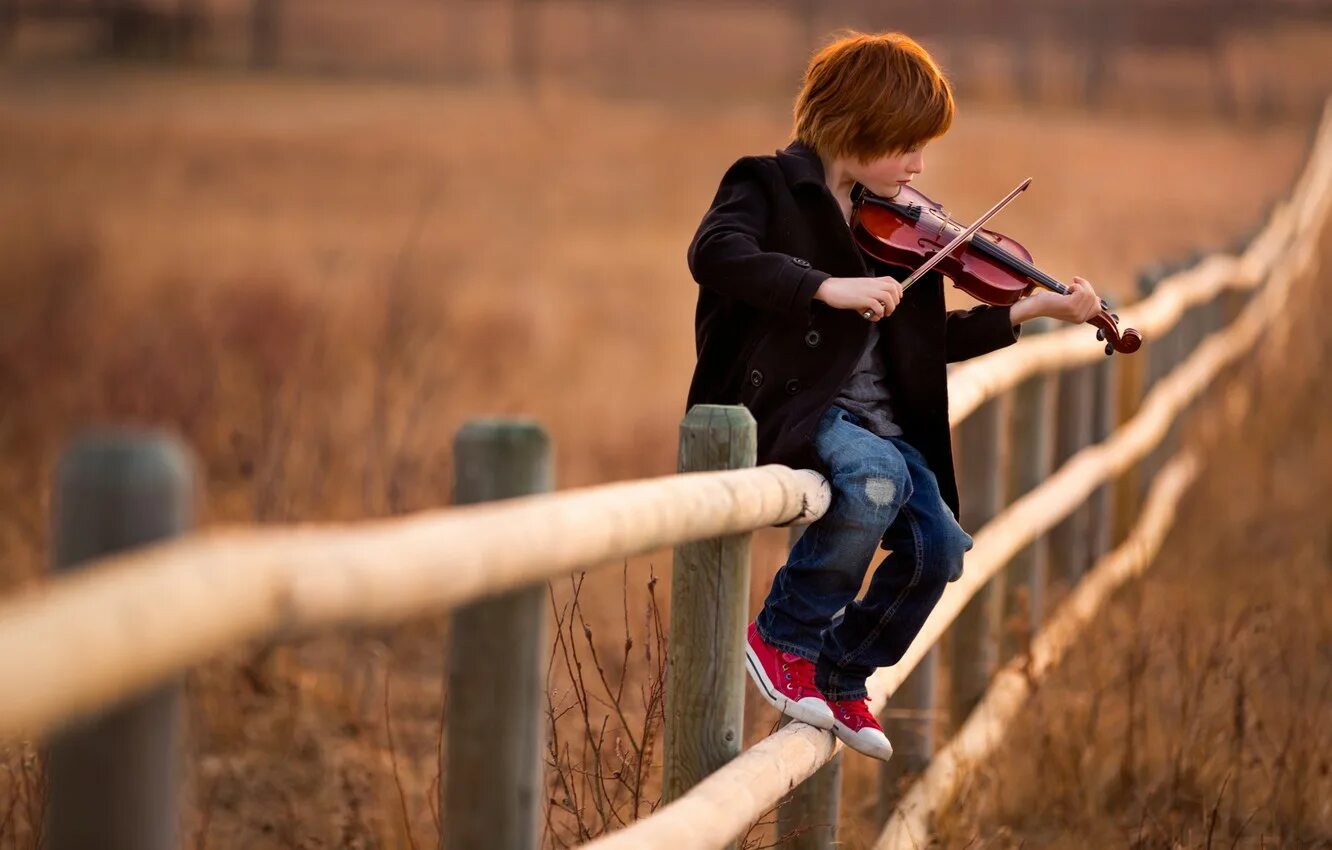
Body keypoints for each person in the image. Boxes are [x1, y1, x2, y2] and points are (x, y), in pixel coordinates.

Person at [683, 31, 1101, 762]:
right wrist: (825, 287)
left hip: (880, 424)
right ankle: (782, 637)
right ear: (855, 126)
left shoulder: (900, 226)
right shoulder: (766, 185)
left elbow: (922, 343)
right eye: (906, 145)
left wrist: (1030, 311)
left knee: (941, 548)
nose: (918, 166)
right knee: (874, 483)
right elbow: (715, 255)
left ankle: (842, 670)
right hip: (796, 408)